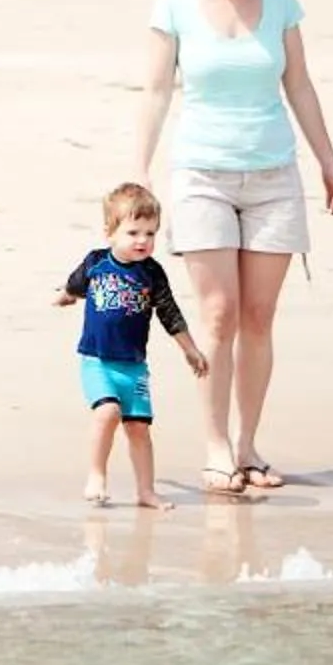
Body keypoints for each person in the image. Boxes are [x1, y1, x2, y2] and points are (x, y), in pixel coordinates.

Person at [136, 0, 333, 499]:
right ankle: (214, 446)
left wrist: (329, 164)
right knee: (218, 315)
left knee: (259, 317)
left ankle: (249, 444)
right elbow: (155, 92)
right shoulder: (174, 3)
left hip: (274, 176)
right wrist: (140, 170)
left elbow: (301, 86)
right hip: (202, 173)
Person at [56, 181, 208, 509]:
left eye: (151, 233)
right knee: (108, 412)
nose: (143, 240)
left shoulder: (152, 274)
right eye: (134, 232)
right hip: (97, 361)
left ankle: (146, 491)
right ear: (110, 232)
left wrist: (190, 349)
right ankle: (97, 474)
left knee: (139, 428)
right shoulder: (96, 262)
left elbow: (169, 313)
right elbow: (75, 283)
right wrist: (66, 296)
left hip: (134, 367)